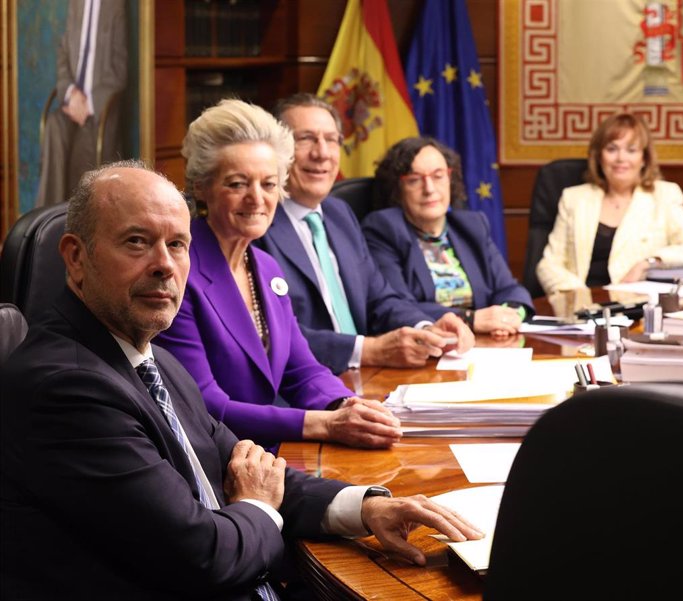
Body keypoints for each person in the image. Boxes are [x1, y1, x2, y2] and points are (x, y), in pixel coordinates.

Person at [0, 161, 483, 600]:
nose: (165, 265)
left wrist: (366, 508)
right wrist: (255, 505)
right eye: (136, 241)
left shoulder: (155, 361)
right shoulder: (65, 387)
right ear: (75, 257)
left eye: (177, 244)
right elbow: (207, 557)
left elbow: (254, 473)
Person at [155, 99, 401, 451]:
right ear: (201, 187)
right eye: (238, 184)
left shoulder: (266, 267)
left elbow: (300, 369)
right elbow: (205, 405)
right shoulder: (178, 272)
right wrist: (323, 423)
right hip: (216, 465)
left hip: (274, 452)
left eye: (269, 185)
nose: (257, 199)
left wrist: (346, 405)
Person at [255, 93, 474, 375]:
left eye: (331, 139)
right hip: (305, 386)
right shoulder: (259, 224)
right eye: (306, 139)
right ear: (277, 151)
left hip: (369, 378)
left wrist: (426, 327)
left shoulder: (339, 214)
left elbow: (380, 299)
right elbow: (270, 333)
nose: (322, 152)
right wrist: (368, 350)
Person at [363, 137, 534, 337]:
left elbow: (510, 288)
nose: (429, 189)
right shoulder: (384, 229)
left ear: (450, 179)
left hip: (485, 343)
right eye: (414, 179)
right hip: (424, 347)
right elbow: (395, 306)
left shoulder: (472, 226)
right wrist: (470, 319)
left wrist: (510, 315)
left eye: (438, 176)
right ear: (397, 188)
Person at [536, 112, 683, 295]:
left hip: (636, 308)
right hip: (582, 309)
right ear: (599, 157)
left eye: (631, 150)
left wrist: (649, 263)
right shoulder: (574, 199)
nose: (620, 158)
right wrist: (581, 297)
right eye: (611, 149)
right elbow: (549, 264)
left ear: (644, 158)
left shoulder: (664, 195)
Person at [35, 0, 127, 208]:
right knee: (54, 126)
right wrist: (70, 93)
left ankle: (73, 223)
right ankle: (46, 217)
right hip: (72, 104)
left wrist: (89, 105)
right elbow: (63, 53)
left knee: (82, 148)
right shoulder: (75, 3)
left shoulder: (115, 6)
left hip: (99, 110)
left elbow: (120, 70)